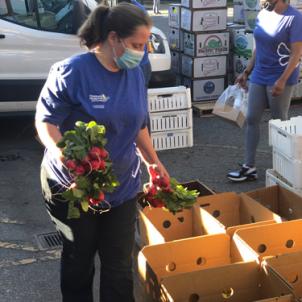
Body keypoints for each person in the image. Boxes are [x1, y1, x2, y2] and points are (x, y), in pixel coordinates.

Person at [35, 3, 169, 302]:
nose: (142, 50)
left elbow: (137, 124)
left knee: (119, 266)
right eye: (136, 44)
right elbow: (46, 123)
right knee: (79, 261)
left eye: (145, 43)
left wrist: (153, 162)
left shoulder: (134, 73)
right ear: (113, 38)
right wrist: (68, 160)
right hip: (75, 186)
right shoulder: (71, 72)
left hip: (122, 185)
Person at [227, 0, 302, 182]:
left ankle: (286, 170)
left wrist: (282, 80)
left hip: (280, 75)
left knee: (279, 123)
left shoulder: (294, 18)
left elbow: (296, 54)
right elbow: (257, 49)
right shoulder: (263, 14)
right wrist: (246, 71)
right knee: (251, 118)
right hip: (259, 74)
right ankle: (249, 167)